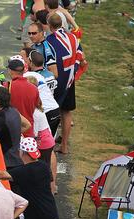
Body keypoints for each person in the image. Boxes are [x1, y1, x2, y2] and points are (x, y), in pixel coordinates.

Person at [5, 137, 60, 219]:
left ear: (22, 153)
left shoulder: (23, 171)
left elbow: (4, 175)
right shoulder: (44, 166)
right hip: (51, 214)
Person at [45, 13, 85, 154]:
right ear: (62, 24)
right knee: (66, 112)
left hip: (56, 81)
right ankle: (64, 146)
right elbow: (81, 56)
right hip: (69, 80)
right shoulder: (73, 38)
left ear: (49, 26)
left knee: (52, 112)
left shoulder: (48, 41)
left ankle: (48, 143)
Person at [5, 56, 40, 137]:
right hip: (29, 131)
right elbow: (37, 105)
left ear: (10, 71)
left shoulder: (8, 86)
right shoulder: (34, 88)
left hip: (13, 130)